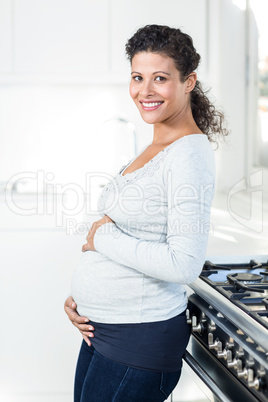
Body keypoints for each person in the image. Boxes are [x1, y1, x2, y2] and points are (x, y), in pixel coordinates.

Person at [64, 24, 228, 402]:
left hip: (138, 341)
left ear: (188, 82)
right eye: (138, 77)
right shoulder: (155, 145)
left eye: (160, 78)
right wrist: (85, 299)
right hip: (104, 331)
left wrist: (102, 237)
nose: (145, 90)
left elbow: (184, 264)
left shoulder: (188, 155)